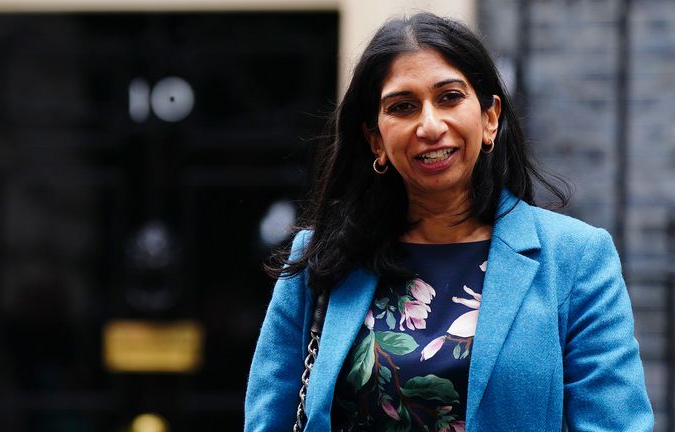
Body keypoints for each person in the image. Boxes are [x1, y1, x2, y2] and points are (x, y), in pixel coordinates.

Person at [245, 12, 653, 432]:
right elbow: (268, 420)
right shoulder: (320, 260)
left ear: (490, 117)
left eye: (449, 97)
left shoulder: (575, 259)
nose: (430, 125)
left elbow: (614, 422)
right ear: (376, 140)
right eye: (402, 107)